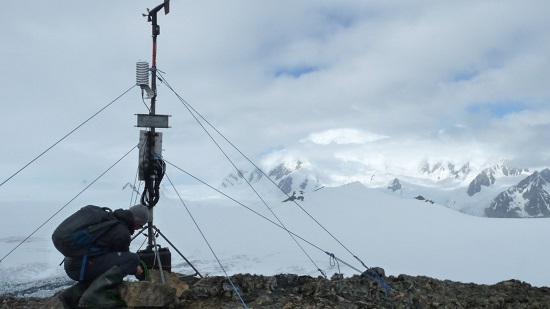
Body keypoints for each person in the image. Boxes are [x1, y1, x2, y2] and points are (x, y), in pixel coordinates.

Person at [58, 204, 149, 308]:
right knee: (133, 259)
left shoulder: (110, 220)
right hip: (81, 268)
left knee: (105, 270)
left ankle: (72, 295)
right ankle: (92, 297)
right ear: (137, 222)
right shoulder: (122, 231)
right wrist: (136, 269)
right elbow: (123, 262)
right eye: (140, 226)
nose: (138, 229)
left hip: (73, 264)